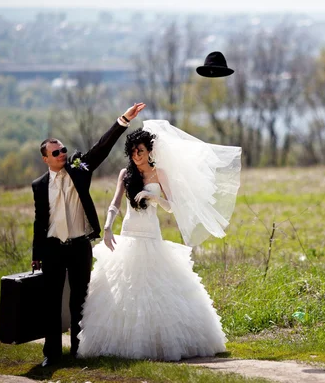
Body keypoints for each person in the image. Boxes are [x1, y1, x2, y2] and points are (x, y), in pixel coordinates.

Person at [77, 119, 241, 361]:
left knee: (157, 284)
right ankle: (121, 343)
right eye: (132, 152)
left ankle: (161, 340)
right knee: (123, 286)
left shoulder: (159, 173)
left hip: (151, 233)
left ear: (149, 151)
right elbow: (114, 204)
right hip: (129, 232)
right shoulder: (126, 173)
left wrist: (153, 198)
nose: (136, 156)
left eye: (140, 151)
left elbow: (172, 207)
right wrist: (109, 227)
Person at [31, 103, 146, 367]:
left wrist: (123, 120)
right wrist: (36, 255)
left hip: (80, 246)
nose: (62, 154)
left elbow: (101, 148)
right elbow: (39, 222)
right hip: (52, 249)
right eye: (56, 152)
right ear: (45, 158)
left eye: (63, 150)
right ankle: (52, 354)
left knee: (79, 301)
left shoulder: (79, 169)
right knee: (52, 302)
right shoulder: (39, 186)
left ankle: (78, 350)